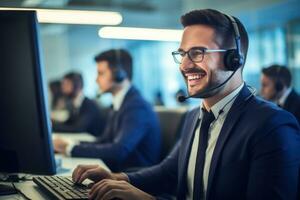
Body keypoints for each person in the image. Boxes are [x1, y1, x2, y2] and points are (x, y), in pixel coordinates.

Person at [71, 9, 300, 200]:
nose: (184, 65)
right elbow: (170, 172)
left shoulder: (272, 126)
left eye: (197, 53)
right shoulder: (194, 116)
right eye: (182, 54)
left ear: (234, 59)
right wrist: (119, 178)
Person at [54, 49, 161, 172]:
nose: (96, 80)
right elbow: (103, 141)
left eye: (101, 73)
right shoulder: (119, 103)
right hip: (117, 173)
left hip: (132, 179)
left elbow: (118, 151)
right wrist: (70, 144)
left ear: (119, 74)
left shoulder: (136, 106)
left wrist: (70, 148)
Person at [51, 72, 105, 136]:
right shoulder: (74, 103)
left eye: (66, 84)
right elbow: (69, 123)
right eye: (63, 84)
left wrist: (52, 126)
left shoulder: (89, 105)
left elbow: (78, 128)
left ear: (77, 86)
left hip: (93, 141)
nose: (63, 88)